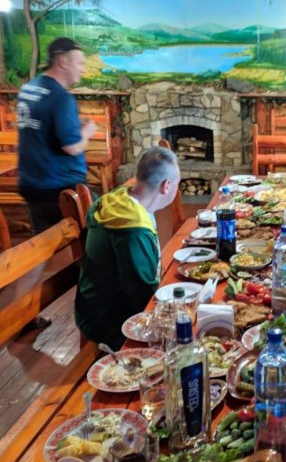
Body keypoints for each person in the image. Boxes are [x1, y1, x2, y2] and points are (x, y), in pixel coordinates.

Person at [75, 146, 181, 350]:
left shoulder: (119, 198)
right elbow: (144, 296)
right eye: (178, 184)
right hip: (109, 320)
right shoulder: (132, 230)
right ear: (167, 186)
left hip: (91, 306)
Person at [17, 37, 97, 234]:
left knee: (46, 241)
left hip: (31, 184)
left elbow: (42, 125)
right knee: (91, 235)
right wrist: (86, 133)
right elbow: (72, 147)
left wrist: (73, 122)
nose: (83, 69)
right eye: (79, 63)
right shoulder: (61, 98)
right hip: (62, 189)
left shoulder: (28, 89)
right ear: (63, 62)